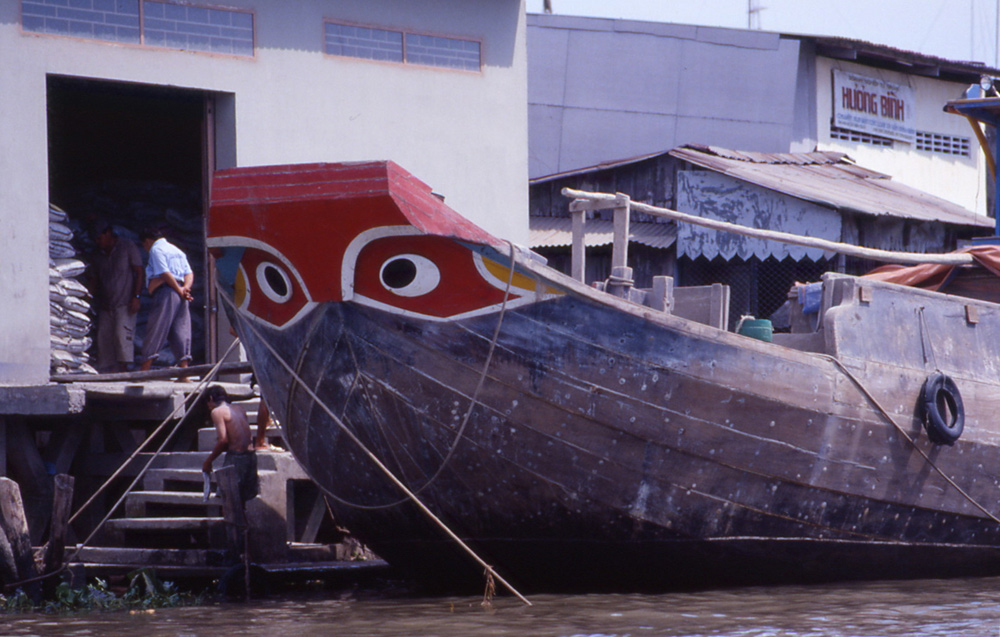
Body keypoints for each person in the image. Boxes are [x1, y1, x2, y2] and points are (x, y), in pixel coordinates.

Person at [139, 227, 194, 373]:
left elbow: (164, 272)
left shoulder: (156, 250)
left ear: (148, 241)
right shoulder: (176, 250)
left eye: (144, 245)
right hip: (180, 293)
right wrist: (185, 289)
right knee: (180, 330)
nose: (145, 249)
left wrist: (179, 290)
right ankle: (184, 372)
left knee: (157, 328)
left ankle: (145, 368)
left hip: (167, 292)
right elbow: (189, 273)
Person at [91, 225, 144, 372]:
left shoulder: (126, 246)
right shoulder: (98, 255)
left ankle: (124, 374)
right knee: (104, 341)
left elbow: (139, 272)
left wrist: (137, 297)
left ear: (108, 233)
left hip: (125, 303)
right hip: (105, 306)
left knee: (123, 339)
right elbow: (94, 279)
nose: (98, 242)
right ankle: (109, 375)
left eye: (100, 238)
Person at [202, 385, 259, 503]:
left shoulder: (217, 412)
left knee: (229, 500)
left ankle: (232, 522)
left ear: (211, 398)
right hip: (251, 457)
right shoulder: (240, 408)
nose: (208, 407)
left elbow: (223, 440)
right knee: (241, 501)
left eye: (207, 403)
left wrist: (208, 461)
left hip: (236, 458)